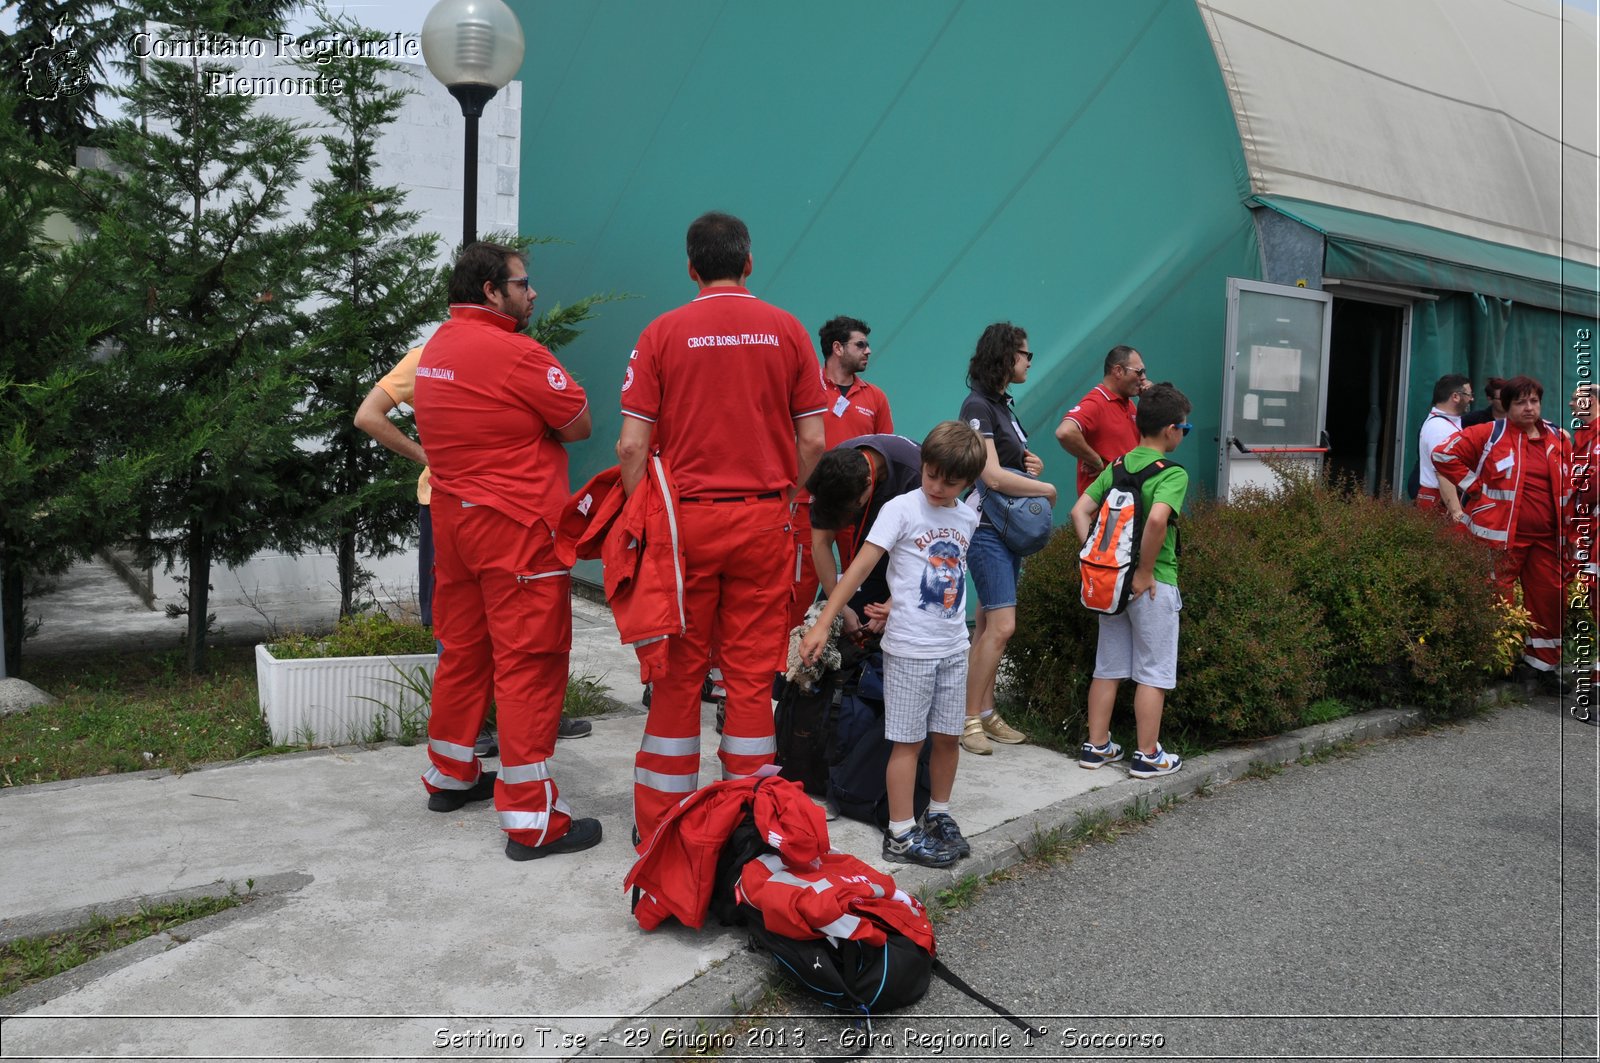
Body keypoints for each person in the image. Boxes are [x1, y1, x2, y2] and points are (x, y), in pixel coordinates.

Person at [617, 211, 827, 846]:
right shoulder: (788, 331)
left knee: (678, 672)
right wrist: (786, 495)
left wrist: (647, 520)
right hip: (765, 519)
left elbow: (632, 447)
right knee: (749, 673)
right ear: (749, 262)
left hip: (686, 525)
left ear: (690, 267)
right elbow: (814, 438)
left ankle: (661, 825)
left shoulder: (661, 333)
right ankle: (748, 818)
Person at [412, 241, 601, 861]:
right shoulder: (517, 352)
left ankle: (451, 775)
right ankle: (531, 819)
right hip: (516, 528)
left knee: (465, 653)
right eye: (523, 283)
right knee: (530, 660)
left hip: (455, 525)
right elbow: (578, 422)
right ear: (492, 290)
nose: (533, 292)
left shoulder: (438, 347)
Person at [355, 349, 592, 754]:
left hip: (499, 502)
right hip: (447, 503)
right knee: (464, 625)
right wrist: (426, 456)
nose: (530, 295)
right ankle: (475, 731)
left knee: (506, 619)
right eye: (521, 285)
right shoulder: (426, 358)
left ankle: (532, 720)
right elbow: (368, 415)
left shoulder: (502, 356)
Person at [800, 421, 987, 867]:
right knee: (907, 742)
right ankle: (901, 833)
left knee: (946, 737)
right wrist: (826, 619)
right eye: (931, 474)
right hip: (908, 651)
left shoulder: (966, 515)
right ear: (922, 466)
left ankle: (938, 814)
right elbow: (862, 568)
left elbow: (944, 575)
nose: (938, 486)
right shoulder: (902, 508)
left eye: (950, 480)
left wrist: (895, 603)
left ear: (969, 482)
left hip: (952, 645)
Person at [1069, 382, 1193, 778]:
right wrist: (1142, 572)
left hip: (1111, 585)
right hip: (1153, 582)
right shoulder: (1173, 474)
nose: (1183, 435)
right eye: (1185, 429)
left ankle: (1097, 746)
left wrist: (1101, 562)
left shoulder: (1117, 466)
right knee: (1153, 672)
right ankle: (1147, 755)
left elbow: (1079, 512)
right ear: (1171, 430)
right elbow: (1157, 519)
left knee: (1108, 666)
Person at [1432, 375, 1571, 679]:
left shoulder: (1559, 438)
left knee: (1549, 600)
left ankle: (1542, 667)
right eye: (1521, 402)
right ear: (1507, 407)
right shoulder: (1489, 433)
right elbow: (1442, 454)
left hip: (1548, 540)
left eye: (1534, 401)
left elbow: (1571, 486)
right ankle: (1499, 665)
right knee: (1497, 600)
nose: (1529, 407)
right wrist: (1474, 485)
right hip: (1500, 538)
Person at [959, 322, 1054, 755]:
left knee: (986, 627)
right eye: (1025, 354)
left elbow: (1008, 466)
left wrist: (1029, 464)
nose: (1030, 361)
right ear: (1006, 356)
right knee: (1002, 626)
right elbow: (991, 475)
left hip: (1005, 531)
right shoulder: (977, 406)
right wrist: (1046, 489)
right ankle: (966, 719)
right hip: (986, 530)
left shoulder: (1001, 407)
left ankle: (987, 711)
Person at [785, 317, 894, 636]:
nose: (868, 351)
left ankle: (848, 659)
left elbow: (885, 451)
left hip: (857, 507)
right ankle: (786, 666)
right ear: (837, 348)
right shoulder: (805, 389)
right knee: (800, 587)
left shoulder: (875, 397)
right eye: (861, 344)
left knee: (860, 581)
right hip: (808, 504)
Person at [804, 433, 923, 636]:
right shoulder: (830, 473)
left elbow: (931, 551)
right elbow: (820, 544)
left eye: (850, 511)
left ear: (868, 483)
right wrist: (840, 608)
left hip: (912, 564)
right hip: (867, 559)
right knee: (825, 621)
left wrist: (895, 603)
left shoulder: (915, 474)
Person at [1055, 345, 1149, 497]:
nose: (1144, 378)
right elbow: (1065, 432)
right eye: (1139, 372)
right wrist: (1097, 461)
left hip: (1127, 503)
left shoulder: (1129, 403)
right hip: (1105, 508)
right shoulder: (1097, 401)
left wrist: (1149, 402)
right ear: (1118, 371)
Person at [1416, 374, 1473, 515]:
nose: (1471, 399)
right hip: (1441, 500)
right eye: (1468, 395)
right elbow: (1443, 473)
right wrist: (1456, 511)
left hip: (1442, 498)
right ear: (1455, 397)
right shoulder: (1440, 428)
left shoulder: (1447, 423)